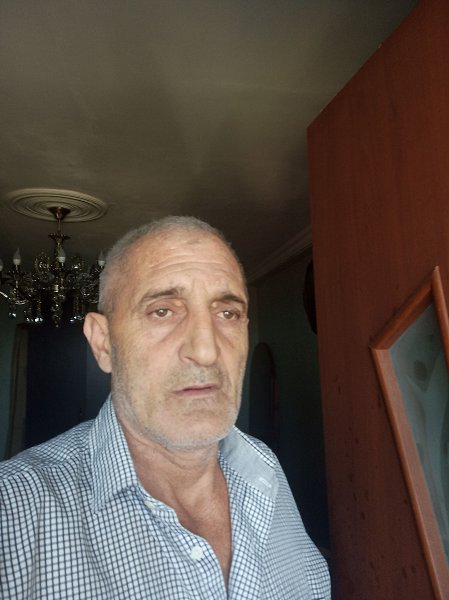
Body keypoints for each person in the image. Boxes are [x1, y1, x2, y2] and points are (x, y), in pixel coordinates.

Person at [0, 216, 331, 599]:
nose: (205, 351)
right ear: (103, 343)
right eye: (162, 311)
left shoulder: (264, 469)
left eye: (227, 313)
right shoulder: (14, 511)